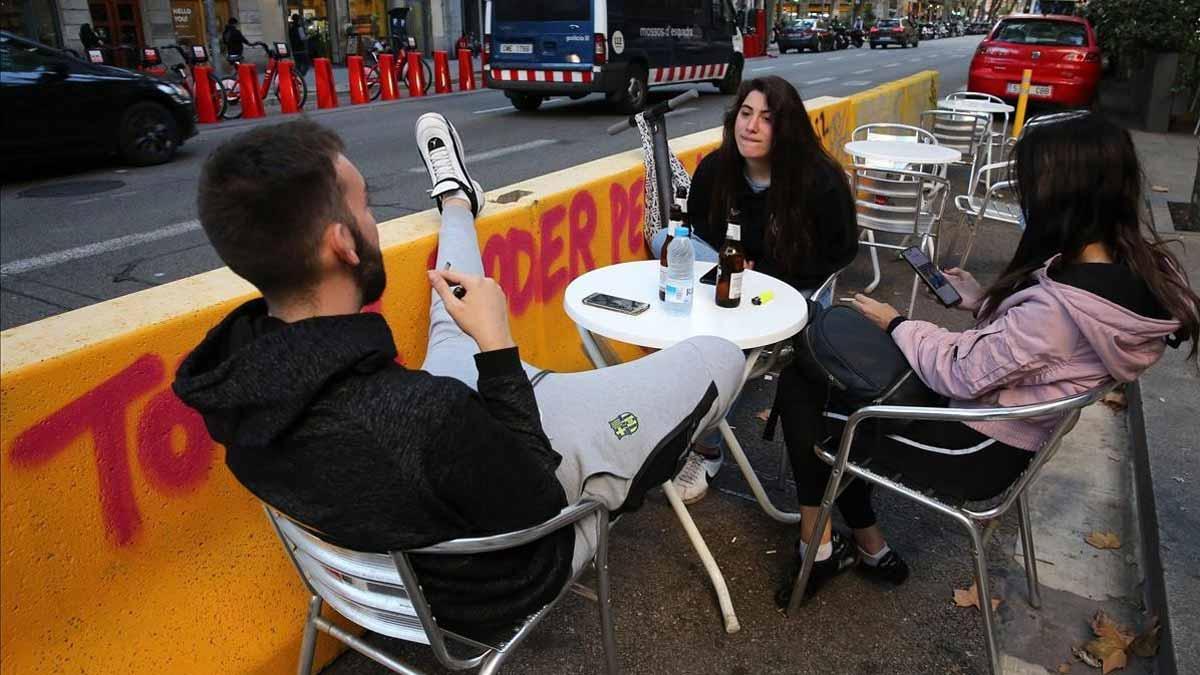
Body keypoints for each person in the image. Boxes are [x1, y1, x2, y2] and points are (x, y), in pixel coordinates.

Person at [172, 116, 745, 634]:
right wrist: (497, 345)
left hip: (407, 542)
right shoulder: (424, 413)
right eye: (367, 207)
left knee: (451, 322)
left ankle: (454, 202)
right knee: (720, 354)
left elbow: (417, 424)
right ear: (343, 245)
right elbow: (539, 503)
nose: (373, 222)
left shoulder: (235, 390)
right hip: (502, 575)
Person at [775, 111, 1200, 605]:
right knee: (829, 388)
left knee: (809, 391)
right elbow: (1037, 348)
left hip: (974, 450)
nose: (1022, 198)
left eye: (1029, 185)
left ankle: (822, 551)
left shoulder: (1059, 310)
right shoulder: (1119, 269)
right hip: (1003, 429)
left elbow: (962, 372)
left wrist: (897, 322)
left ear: (1066, 194)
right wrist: (982, 300)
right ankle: (868, 545)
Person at [649, 75, 859, 504]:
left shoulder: (820, 181)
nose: (751, 126)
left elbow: (841, 253)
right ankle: (673, 423)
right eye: (745, 114)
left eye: (767, 118)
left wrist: (763, 271)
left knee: (713, 346)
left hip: (792, 293)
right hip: (729, 280)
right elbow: (702, 232)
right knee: (663, 244)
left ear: (788, 128)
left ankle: (705, 450)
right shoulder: (716, 168)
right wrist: (728, 260)